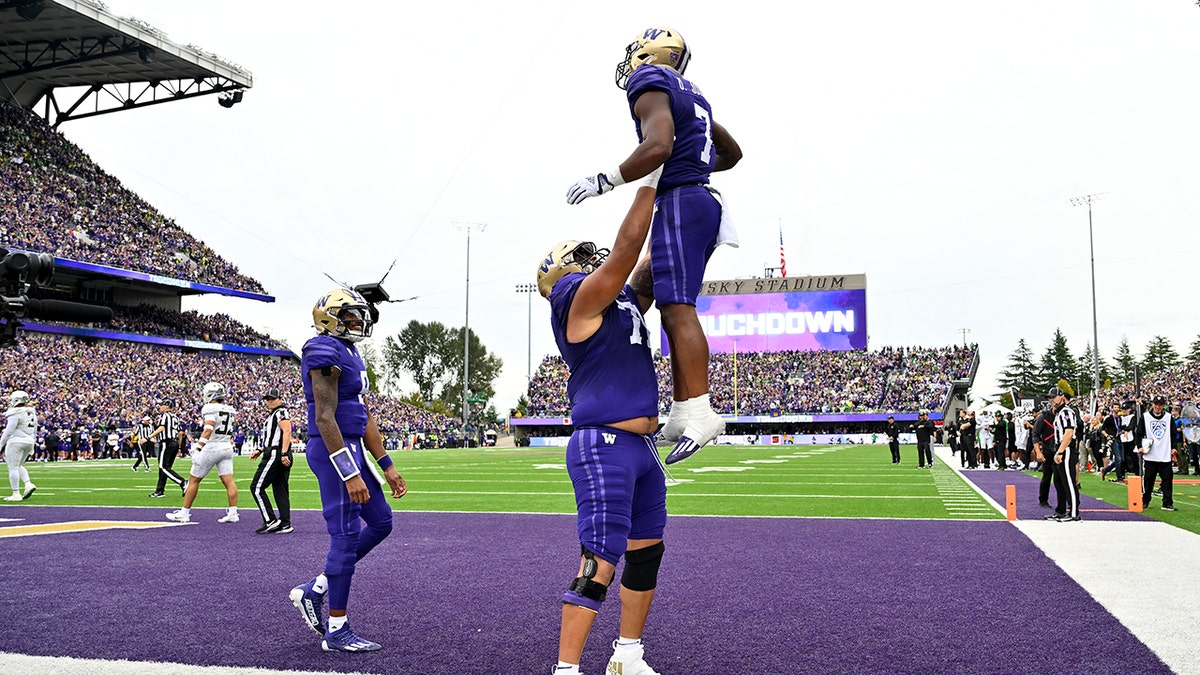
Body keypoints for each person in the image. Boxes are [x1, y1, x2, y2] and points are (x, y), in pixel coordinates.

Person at [566, 27, 742, 464]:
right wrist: (693, 164)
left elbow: (658, 144)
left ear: (653, 53)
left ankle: (702, 412)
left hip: (683, 199)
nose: (631, 63)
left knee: (678, 307)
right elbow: (732, 152)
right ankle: (684, 411)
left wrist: (607, 179)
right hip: (697, 198)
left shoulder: (650, 82)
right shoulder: (695, 95)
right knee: (668, 303)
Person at [543, 168, 667, 675]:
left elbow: (644, 271)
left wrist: (678, 212)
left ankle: (627, 655)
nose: (591, 262)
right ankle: (566, 670)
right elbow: (622, 256)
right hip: (604, 444)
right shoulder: (574, 300)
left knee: (646, 554)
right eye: (581, 259)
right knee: (600, 561)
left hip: (641, 449)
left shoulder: (617, 305)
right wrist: (650, 182)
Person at [288, 288, 407, 653]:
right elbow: (325, 417)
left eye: (360, 316)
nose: (359, 321)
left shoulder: (350, 351)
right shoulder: (321, 348)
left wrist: (385, 464)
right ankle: (336, 628)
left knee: (381, 522)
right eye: (351, 315)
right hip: (333, 450)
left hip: (353, 447)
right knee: (344, 536)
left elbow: (362, 413)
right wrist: (350, 471)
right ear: (330, 317)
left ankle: (318, 587)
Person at [166, 382, 240, 524]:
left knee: (193, 480)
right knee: (229, 481)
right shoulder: (230, 409)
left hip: (212, 447)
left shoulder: (209, 408)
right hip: (226, 447)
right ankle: (233, 513)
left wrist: (198, 446)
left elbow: (208, 429)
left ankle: (184, 512)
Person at [249, 387, 294, 534]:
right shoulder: (273, 414)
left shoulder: (280, 412)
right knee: (280, 489)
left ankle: (270, 520)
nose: (270, 401)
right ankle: (285, 523)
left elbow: (287, 430)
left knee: (256, 487)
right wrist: (261, 449)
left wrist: (284, 453)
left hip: (276, 454)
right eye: (267, 399)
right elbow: (274, 436)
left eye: (273, 399)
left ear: (280, 399)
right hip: (275, 452)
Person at [1135, 395, 1176, 512]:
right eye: (1156, 404)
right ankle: (1145, 500)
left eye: (1160, 404)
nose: (1158, 407)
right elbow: (1139, 432)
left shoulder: (1168, 417)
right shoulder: (1146, 417)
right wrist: (1140, 447)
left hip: (1165, 454)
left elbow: (1173, 433)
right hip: (1151, 454)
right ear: (1152, 404)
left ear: (1163, 406)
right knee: (1149, 480)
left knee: (1167, 480)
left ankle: (1167, 502)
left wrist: (1173, 447)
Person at [1046, 386, 1081, 522]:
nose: (1051, 400)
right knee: (1059, 482)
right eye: (1050, 398)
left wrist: (1060, 451)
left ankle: (1073, 513)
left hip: (1066, 449)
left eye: (1053, 397)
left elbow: (1069, 432)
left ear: (1061, 396)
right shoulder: (1059, 412)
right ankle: (1060, 510)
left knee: (1068, 481)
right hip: (1060, 448)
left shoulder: (1066, 412)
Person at [1, 390, 38, 501]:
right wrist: (33, 444)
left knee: (12, 467)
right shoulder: (31, 412)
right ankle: (28, 484)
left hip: (16, 441)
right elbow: (35, 429)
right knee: (19, 465)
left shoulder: (15, 412)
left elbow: (8, 431)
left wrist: (0, 444)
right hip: (29, 440)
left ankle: (16, 493)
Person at [147, 398, 187, 498]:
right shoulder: (175, 417)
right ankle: (159, 490)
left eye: (162, 405)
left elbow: (161, 428)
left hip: (166, 443)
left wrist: (148, 437)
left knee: (163, 467)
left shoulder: (165, 416)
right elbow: (180, 433)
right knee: (165, 468)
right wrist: (178, 446)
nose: (160, 407)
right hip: (174, 443)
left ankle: (183, 482)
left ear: (167, 406)